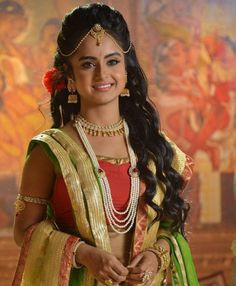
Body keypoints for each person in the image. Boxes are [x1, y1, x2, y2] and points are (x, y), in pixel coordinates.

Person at [12, 3, 199, 286]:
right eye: (88, 64)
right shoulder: (50, 151)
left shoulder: (154, 147)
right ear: (70, 76)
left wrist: (157, 255)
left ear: (126, 69)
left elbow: (171, 228)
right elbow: (24, 231)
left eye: (112, 61)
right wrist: (83, 254)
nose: (102, 75)